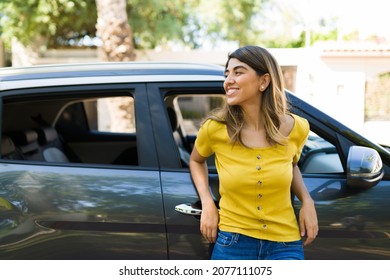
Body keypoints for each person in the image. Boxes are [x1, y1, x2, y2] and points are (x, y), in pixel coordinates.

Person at [189, 45, 318, 260]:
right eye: (227, 74)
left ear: (264, 81)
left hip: (285, 244)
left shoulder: (298, 128)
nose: (228, 80)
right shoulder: (214, 129)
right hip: (233, 243)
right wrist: (208, 203)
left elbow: (290, 165)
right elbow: (196, 160)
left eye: (238, 72)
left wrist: (307, 200)